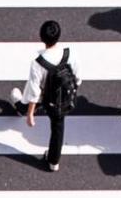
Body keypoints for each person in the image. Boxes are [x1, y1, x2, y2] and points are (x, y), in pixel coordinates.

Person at [9, 19, 81, 172]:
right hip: (64, 99)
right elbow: (77, 77)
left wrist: (30, 114)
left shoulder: (38, 63)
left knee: (31, 90)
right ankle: (53, 161)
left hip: (47, 99)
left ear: (42, 38)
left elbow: (35, 90)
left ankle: (21, 107)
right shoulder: (69, 54)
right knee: (58, 128)